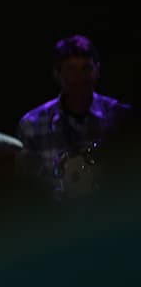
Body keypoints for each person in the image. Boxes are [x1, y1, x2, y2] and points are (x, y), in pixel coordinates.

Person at [14, 34, 134, 201]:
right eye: (70, 69)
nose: (79, 78)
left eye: (86, 68)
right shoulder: (32, 124)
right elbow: (27, 188)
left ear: (98, 70)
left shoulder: (120, 116)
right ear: (57, 74)